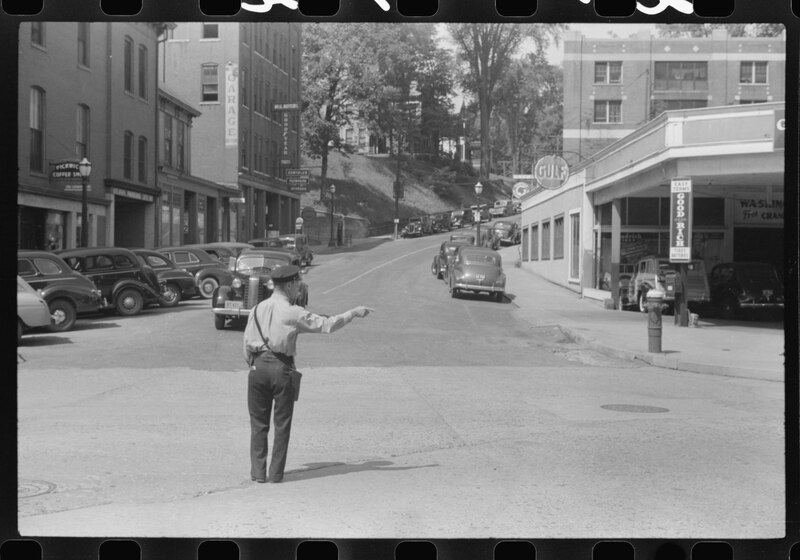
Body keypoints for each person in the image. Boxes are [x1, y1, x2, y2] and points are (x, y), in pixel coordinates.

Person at [242, 265, 373, 483]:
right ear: (290, 285)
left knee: (258, 424)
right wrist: (352, 313)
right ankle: (275, 475)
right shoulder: (293, 312)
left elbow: (246, 343)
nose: (299, 291)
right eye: (298, 286)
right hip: (281, 368)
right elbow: (326, 325)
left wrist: (255, 364)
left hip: (256, 368)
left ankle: (258, 473)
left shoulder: (256, 308)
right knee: (281, 424)